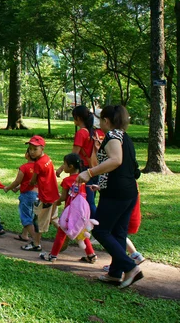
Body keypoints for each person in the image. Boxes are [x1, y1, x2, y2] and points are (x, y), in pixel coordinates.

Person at [77, 105, 142, 289]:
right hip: (127, 192)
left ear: (106, 120)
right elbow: (125, 167)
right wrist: (102, 182)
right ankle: (115, 273)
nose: (99, 123)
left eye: (101, 119)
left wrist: (89, 173)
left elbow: (116, 161)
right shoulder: (124, 137)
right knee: (118, 232)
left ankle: (130, 267)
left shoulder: (113, 136)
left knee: (100, 230)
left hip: (116, 193)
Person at [39, 153, 97, 263]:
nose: (63, 167)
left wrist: (57, 202)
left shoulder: (67, 181)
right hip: (83, 212)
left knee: (62, 232)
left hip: (70, 213)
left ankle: (53, 256)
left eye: (64, 165)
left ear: (70, 167)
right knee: (82, 232)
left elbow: (64, 197)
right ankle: (91, 255)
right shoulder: (84, 179)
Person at [56, 105, 104, 217]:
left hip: (85, 169)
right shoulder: (92, 131)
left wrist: (60, 169)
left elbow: (73, 155)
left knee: (88, 200)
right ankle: (88, 222)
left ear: (78, 118)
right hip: (95, 168)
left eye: (74, 117)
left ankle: (95, 226)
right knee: (90, 198)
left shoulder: (81, 133)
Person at [21, 135, 59, 252]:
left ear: (42, 148)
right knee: (54, 218)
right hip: (54, 194)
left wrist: (21, 186)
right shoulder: (47, 159)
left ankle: (36, 244)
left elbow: (32, 181)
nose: (32, 152)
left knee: (37, 221)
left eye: (35, 149)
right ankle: (66, 235)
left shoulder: (38, 164)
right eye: (30, 149)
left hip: (45, 196)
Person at [3, 149, 36, 242]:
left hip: (27, 195)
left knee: (26, 217)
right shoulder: (38, 167)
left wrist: (8, 188)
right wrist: (17, 188)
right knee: (31, 215)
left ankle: (36, 241)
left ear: (28, 155)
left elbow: (18, 181)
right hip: (38, 195)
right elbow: (28, 181)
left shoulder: (24, 167)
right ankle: (24, 235)